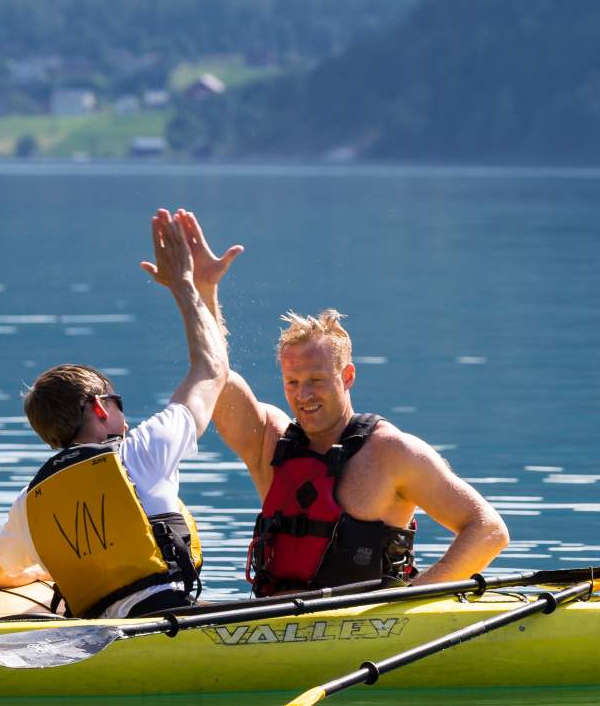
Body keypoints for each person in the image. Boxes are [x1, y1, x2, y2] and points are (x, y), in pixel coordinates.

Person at [162, 211, 509, 596]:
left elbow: (488, 530)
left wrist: (410, 600)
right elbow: (215, 374)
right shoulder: (269, 442)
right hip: (273, 622)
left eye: (316, 381)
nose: (304, 395)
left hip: (375, 624)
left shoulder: (393, 453)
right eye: (293, 383)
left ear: (347, 377)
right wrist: (202, 291)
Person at [0, 208, 228, 618]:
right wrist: (186, 285)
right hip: (170, 619)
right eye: (118, 403)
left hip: (98, 633)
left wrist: (39, 572)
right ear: (99, 407)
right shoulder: (145, 450)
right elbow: (212, 370)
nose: (126, 419)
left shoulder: (30, 503)